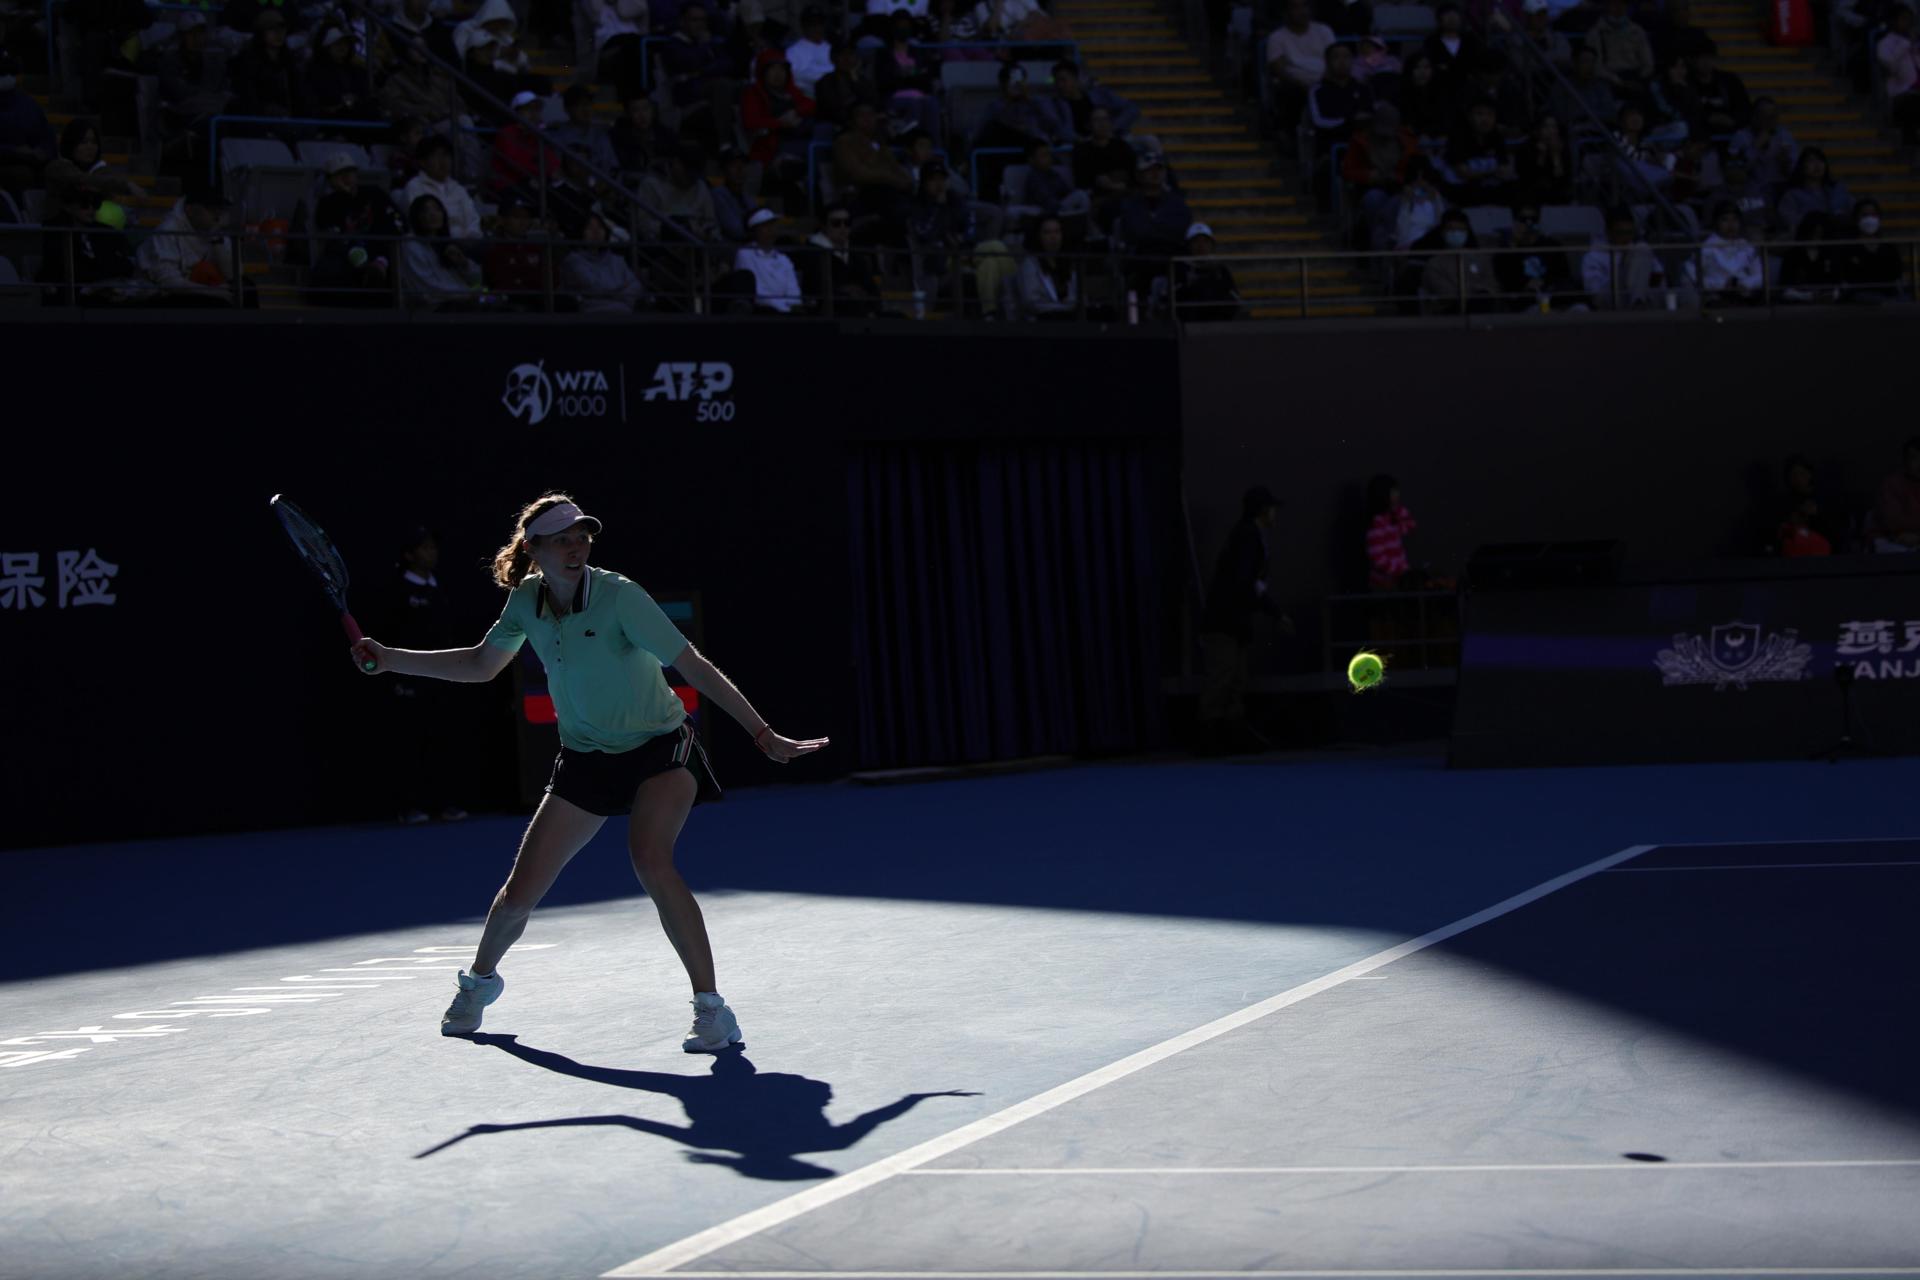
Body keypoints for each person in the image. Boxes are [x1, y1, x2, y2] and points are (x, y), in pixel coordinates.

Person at [351, 494, 827, 1051]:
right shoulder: (526, 600)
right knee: (518, 893)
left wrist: (762, 733)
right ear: (534, 549)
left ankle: (712, 1010)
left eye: (582, 535)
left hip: (660, 748)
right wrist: (389, 658)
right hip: (584, 758)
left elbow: (691, 664)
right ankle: (479, 983)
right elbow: (482, 664)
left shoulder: (621, 596)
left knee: (650, 860)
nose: (577, 546)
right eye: (562, 538)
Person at [376, 526, 470, 824]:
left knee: (444, 741)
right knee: (410, 745)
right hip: (408, 681)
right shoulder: (396, 590)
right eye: (424, 548)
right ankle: (410, 806)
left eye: (432, 547)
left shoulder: (440, 589)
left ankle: (446, 804)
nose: (431, 552)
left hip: (442, 680)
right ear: (409, 554)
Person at [1196, 485, 1292, 756]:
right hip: (1226, 622)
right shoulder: (1248, 537)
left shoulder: (1247, 536)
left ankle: (1227, 734)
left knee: (1234, 677)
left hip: (1231, 622)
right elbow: (1247, 582)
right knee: (1224, 677)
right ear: (1263, 510)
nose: (1276, 515)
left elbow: (1249, 583)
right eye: (1272, 509)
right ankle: (1211, 736)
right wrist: (1274, 612)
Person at [313, 153, 406, 304]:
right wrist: (360, 258)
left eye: (349, 172)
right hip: (348, 263)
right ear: (330, 180)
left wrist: (381, 258)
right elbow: (332, 236)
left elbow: (399, 223)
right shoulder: (326, 204)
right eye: (339, 174)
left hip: (385, 257)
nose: (346, 178)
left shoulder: (374, 193)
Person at [138, 188, 241, 301]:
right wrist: (212, 292)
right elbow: (168, 282)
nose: (217, 215)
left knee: (245, 287)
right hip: (165, 296)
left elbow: (233, 275)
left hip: (199, 290)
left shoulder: (215, 231)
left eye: (220, 209)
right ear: (190, 210)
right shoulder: (167, 231)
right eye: (211, 209)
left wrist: (216, 240)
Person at [1342, 101, 1420, 248]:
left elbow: (1416, 171)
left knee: (1399, 203)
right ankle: (1378, 243)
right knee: (1374, 199)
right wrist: (1368, 175)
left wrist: (1399, 178)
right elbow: (1348, 171)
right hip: (1371, 189)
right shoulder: (1360, 141)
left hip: (1401, 189)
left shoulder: (1408, 142)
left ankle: (1393, 241)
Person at [740, 49, 815, 178]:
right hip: (774, 144)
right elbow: (751, 121)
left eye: (782, 69)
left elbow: (811, 105)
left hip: (801, 136)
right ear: (763, 72)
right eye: (773, 69)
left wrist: (795, 111)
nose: (778, 74)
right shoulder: (754, 93)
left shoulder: (791, 92)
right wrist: (781, 123)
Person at [1581, 204, 1672, 309]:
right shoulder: (1593, 256)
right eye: (1621, 233)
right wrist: (1624, 269)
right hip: (1610, 297)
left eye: (1629, 233)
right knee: (1641, 249)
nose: (1626, 238)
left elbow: (1658, 275)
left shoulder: (1640, 251)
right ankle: (1637, 303)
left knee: (1685, 290)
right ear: (1609, 232)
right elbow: (1594, 292)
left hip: (1644, 294)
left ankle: (1638, 302)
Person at [1266, 0, 1336, 134]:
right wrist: (1300, 83)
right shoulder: (1277, 37)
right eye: (1295, 7)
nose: (1301, 12)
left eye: (1305, 6)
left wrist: (1324, 81)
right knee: (1290, 93)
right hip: (1295, 85)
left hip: (1325, 81)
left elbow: (1334, 58)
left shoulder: (1324, 31)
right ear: (1286, 12)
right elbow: (1278, 68)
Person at [402, 192, 484, 305]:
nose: (433, 214)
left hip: (465, 300)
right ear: (416, 217)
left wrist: (463, 263)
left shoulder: (446, 244)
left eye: (437, 209)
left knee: (500, 301)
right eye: (425, 211)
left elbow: (477, 280)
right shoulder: (411, 245)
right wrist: (467, 294)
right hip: (439, 310)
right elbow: (428, 289)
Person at [806, 201, 885, 315]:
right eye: (836, 223)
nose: (843, 227)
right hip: (830, 312)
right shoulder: (810, 252)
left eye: (847, 223)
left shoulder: (856, 254)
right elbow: (814, 288)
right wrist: (845, 292)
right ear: (823, 225)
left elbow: (872, 289)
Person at [401, 136, 484, 242]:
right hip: (432, 244)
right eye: (436, 156)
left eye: (446, 155)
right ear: (422, 162)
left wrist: (471, 240)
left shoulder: (458, 189)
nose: (443, 161)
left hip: (465, 244)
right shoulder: (414, 187)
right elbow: (418, 225)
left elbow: (473, 221)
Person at [1493, 199, 1573, 308]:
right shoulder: (1505, 251)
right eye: (1523, 219)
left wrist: (1546, 284)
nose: (1529, 224)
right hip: (1525, 303)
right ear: (1514, 221)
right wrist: (1514, 246)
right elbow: (1507, 282)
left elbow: (1563, 276)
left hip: (1554, 300)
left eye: (1533, 219)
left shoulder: (1552, 246)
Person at [564, 211, 650, 310]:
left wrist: (612, 294)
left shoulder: (617, 260)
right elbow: (594, 288)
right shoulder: (573, 260)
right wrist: (622, 290)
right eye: (590, 228)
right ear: (581, 232)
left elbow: (636, 286)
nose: (596, 231)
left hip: (624, 312)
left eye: (600, 227)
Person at [638, 143, 722, 242]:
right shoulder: (651, 184)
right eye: (688, 172)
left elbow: (712, 223)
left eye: (695, 174)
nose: (691, 179)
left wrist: (705, 233)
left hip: (697, 245)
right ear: (676, 163)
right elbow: (643, 224)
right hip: (664, 246)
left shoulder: (700, 186)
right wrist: (672, 229)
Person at [1419, 206, 1497, 312]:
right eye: (1451, 229)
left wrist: (1480, 293)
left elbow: (1491, 285)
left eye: (1461, 230)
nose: (1456, 233)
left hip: (1482, 307)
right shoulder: (1434, 264)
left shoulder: (1481, 258)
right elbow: (1446, 294)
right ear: (1443, 232)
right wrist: (1475, 291)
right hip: (1449, 311)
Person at [484, 188, 552, 306]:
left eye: (526, 217)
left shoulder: (537, 246)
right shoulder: (492, 246)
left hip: (538, 299)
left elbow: (552, 277)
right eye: (516, 217)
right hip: (507, 302)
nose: (523, 222)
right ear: (502, 220)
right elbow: (499, 282)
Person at [1444, 97, 1517, 206]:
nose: (1485, 119)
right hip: (1462, 190)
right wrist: (1492, 172)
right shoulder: (1458, 138)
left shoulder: (1497, 137)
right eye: (1479, 114)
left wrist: (1493, 173)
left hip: (1490, 188)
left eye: (1489, 114)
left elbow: (1505, 169)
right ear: (1469, 116)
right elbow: (1463, 173)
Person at [1308, 42, 1373, 156]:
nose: (1342, 61)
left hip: (1364, 145)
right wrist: (1349, 121)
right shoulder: (1317, 91)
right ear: (1327, 62)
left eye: (1346, 57)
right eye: (1336, 57)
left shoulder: (1363, 88)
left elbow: (1370, 115)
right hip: (1331, 146)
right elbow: (1319, 122)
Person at [380, 37, 458, 131]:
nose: (421, 50)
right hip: (419, 128)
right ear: (406, 52)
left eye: (424, 47)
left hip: (445, 123)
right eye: (415, 47)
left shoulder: (438, 78)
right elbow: (393, 105)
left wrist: (447, 111)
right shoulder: (397, 79)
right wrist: (425, 110)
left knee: (463, 120)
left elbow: (457, 102)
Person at [1012, 213, 1080, 319]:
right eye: (1047, 232)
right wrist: (1060, 308)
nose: (1053, 237)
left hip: (1068, 317)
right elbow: (1031, 302)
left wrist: (1069, 306)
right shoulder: (1029, 264)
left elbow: (1076, 296)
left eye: (1057, 232)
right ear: (1038, 236)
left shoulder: (1067, 262)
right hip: (1043, 321)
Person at [734, 206, 803, 310]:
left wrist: (791, 308)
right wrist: (783, 308)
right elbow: (757, 292)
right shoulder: (745, 254)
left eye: (773, 225)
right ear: (754, 231)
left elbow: (793, 291)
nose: (771, 230)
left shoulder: (784, 259)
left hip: (787, 314)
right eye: (765, 226)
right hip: (761, 313)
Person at [549, 83, 623, 178]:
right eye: (579, 105)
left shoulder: (600, 133)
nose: (586, 109)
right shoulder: (558, 135)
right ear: (567, 109)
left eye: (588, 104)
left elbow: (612, 166)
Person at [307, 24, 378, 122]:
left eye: (346, 43)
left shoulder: (357, 70)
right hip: (331, 120)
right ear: (327, 47)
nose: (343, 47)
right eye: (337, 43)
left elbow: (364, 94)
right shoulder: (315, 70)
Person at [1050, 59, 1139, 137]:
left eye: (1063, 80)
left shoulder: (1099, 95)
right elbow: (1059, 129)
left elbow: (1131, 108)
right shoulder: (1055, 105)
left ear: (1075, 79)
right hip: (1081, 148)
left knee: (1148, 140)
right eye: (1056, 81)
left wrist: (1112, 129)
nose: (1059, 85)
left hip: (1109, 142)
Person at [1172, 221, 1241, 321]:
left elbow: (1234, 298)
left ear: (1212, 245)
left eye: (1205, 241)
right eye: (1196, 241)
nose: (1201, 246)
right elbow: (1173, 298)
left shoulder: (1220, 269)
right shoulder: (1179, 268)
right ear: (1188, 245)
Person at [1727, 95, 1797, 192]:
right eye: (1764, 116)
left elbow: (1794, 171)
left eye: (1773, 116)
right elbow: (1734, 174)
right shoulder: (1740, 137)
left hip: (1780, 190)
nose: (1770, 121)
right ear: (1754, 116)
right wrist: (1755, 148)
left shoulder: (1784, 135)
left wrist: (1786, 163)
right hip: (1751, 191)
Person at [1838, 198, 1903, 302]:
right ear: (1856, 218)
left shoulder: (1889, 248)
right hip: (1859, 297)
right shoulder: (1848, 248)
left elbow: (1896, 273)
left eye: (1873, 215)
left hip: (1888, 295)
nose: (1869, 219)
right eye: (1864, 215)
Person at [1776, 147, 1853, 235]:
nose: (1817, 165)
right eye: (1811, 161)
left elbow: (1854, 212)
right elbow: (1790, 221)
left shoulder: (1838, 190)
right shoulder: (1792, 195)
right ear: (1802, 167)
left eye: (1821, 160)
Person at [494, 90, 559, 191]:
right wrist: (543, 172)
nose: (534, 114)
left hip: (534, 182)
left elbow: (551, 160)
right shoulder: (507, 133)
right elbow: (515, 164)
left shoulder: (538, 134)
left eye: (537, 109)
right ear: (517, 112)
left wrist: (551, 171)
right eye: (529, 109)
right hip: (509, 185)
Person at [1698, 199, 1761, 304]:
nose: (1731, 225)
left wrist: (1744, 284)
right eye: (1725, 220)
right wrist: (1721, 285)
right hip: (1716, 299)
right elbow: (1692, 278)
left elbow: (1760, 275)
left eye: (1735, 220)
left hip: (1745, 298)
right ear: (1716, 222)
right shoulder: (1706, 248)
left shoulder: (1747, 246)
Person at [1072, 105, 1136, 207]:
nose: (1102, 124)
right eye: (1097, 120)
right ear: (1089, 125)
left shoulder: (1123, 146)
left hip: (1126, 194)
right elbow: (1080, 181)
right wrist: (1099, 183)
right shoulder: (1081, 150)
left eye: (1105, 119)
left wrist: (1121, 185)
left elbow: (1134, 173)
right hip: (1099, 199)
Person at [1365, 473, 1417, 589]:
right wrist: (1400, 570)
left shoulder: (1391, 520)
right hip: (1383, 584)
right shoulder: (1376, 525)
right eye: (1393, 492)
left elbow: (1410, 526)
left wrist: (1397, 510)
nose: (1397, 495)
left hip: (1396, 581)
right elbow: (1378, 560)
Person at [1779, 211, 1842, 305]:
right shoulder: (1792, 255)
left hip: (1828, 303)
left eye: (1819, 235)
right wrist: (1806, 296)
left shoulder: (1831, 254)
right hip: (1798, 305)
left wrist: (1831, 294)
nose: (1815, 239)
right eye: (1813, 234)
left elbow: (1838, 283)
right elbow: (1784, 289)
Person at [813, 41, 879, 131]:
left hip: (867, 122)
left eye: (851, 54)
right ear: (833, 58)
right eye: (842, 55)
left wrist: (855, 79)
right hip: (841, 125)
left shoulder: (863, 80)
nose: (847, 59)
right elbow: (833, 109)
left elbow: (872, 101)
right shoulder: (825, 82)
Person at [1879, 6, 1920, 145]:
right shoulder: (1885, 44)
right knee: (1913, 103)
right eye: (1904, 19)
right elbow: (1891, 68)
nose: (1907, 23)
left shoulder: (1915, 44)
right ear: (1893, 21)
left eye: (1910, 20)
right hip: (1902, 95)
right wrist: (1904, 46)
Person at [1871, 437, 1920, 551]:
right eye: (1914, 458)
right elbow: (1893, 522)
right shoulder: (1892, 484)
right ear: (1905, 461)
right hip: (1892, 540)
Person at [613, 95, 681, 175]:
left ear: (652, 110)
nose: (642, 115)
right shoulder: (622, 138)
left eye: (646, 109)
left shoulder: (665, 134)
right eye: (636, 110)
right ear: (629, 114)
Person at [1514, 113, 1572, 204]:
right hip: (1530, 195)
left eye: (1554, 127)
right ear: (1538, 129)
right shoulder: (1526, 147)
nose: (1551, 131)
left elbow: (1563, 180)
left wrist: (1556, 156)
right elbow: (1528, 177)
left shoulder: (1563, 149)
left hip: (1556, 196)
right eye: (1546, 126)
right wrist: (1541, 155)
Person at [786, 5, 835, 95]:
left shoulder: (831, 48)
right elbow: (794, 77)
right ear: (804, 27)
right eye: (812, 24)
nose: (817, 28)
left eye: (819, 24)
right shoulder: (793, 52)